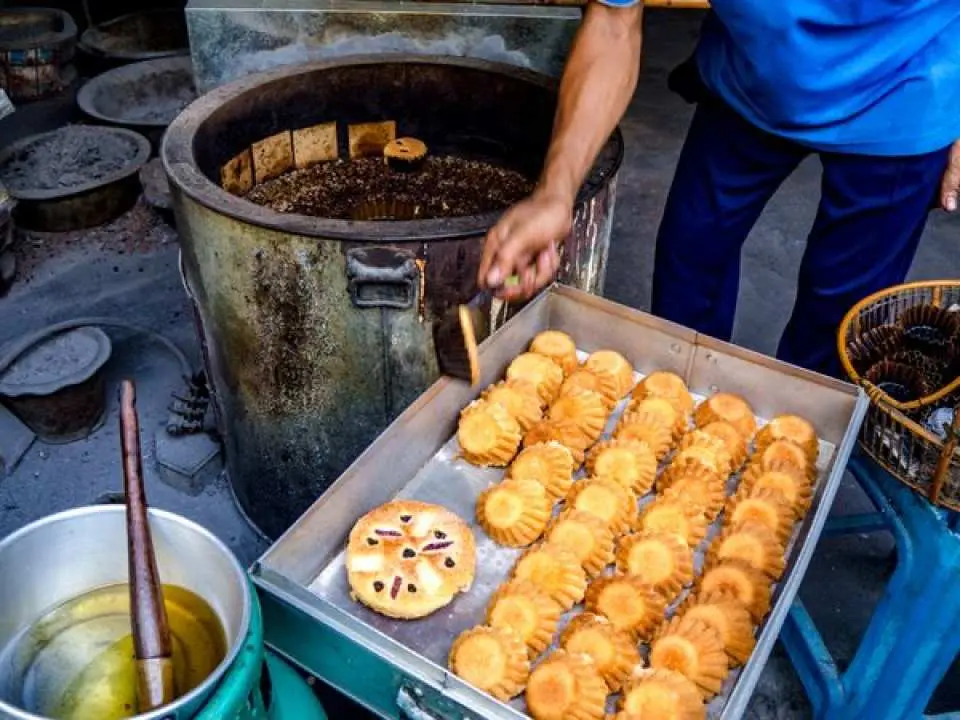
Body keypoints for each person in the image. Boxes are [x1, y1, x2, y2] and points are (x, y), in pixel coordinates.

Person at [478, 0, 960, 377]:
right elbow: (612, 23)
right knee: (688, 268)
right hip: (748, 76)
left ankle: (794, 468)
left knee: (838, 329)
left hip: (905, 88)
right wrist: (555, 192)